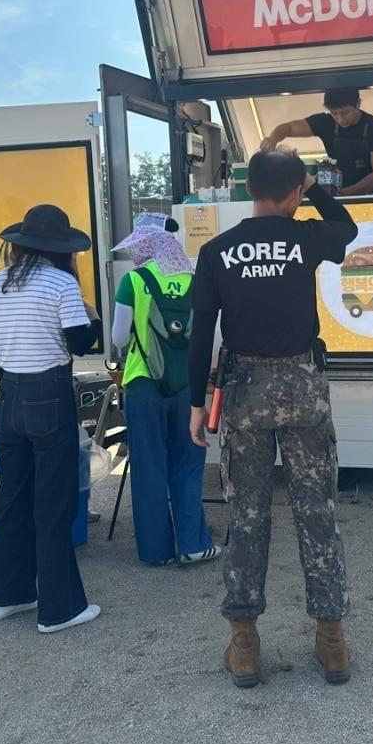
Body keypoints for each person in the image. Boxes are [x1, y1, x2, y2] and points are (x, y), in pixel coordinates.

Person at [188, 149, 359, 687]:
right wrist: (315, 187)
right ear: (295, 192)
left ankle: (245, 647)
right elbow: (348, 229)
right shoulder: (306, 238)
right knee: (317, 513)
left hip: (244, 395)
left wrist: (197, 402)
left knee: (247, 517)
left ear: (248, 189)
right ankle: (331, 643)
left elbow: (200, 330)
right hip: (303, 389)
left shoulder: (217, 250)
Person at [0, 204, 102, 634]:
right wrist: (93, 318)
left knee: (11, 498)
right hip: (48, 396)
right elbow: (80, 343)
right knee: (53, 502)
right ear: (60, 248)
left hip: (8, 397)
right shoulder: (61, 283)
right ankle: (59, 608)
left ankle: (7, 595)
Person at [110, 212, 219, 567]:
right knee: (188, 464)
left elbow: (118, 338)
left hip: (143, 385)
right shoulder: (196, 280)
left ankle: (156, 551)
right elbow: (210, 337)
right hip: (188, 386)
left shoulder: (133, 280)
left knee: (148, 467)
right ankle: (193, 544)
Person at [260, 87, 373, 195]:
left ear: (358, 103)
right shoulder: (325, 122)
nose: (340, 119)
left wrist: (345, 193)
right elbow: (288, 128)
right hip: (336, 192)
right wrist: (273, 138)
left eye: (345, 113)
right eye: (334, 113)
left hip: (371, 196)